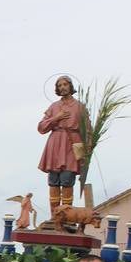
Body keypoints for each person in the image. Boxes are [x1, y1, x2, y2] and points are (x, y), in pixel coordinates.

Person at [36, 75, 88, 218]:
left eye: (65, 84)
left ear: (70, 86)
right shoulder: (54, 107)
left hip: (72, 144)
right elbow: (41, 128)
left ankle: (66, 217)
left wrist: (88, 148)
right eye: (60, 85)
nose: (63, 87)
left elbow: (88, 130)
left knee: (67, 180)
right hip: (55, 144)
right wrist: (56, 117)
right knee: (53, 181)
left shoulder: (80, 107)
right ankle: (55, 217)